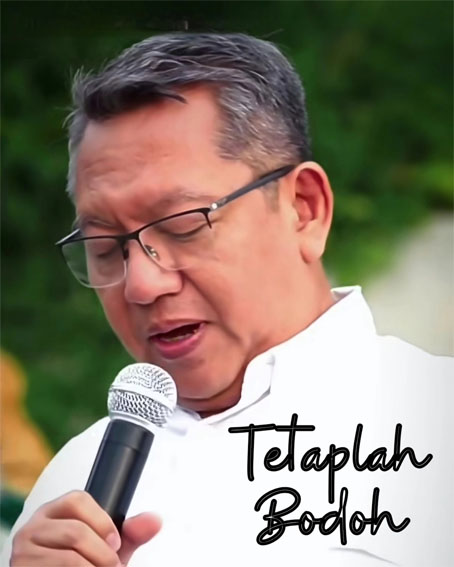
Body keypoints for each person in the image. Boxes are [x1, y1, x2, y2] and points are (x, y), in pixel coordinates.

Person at [3, 33, 452, 567]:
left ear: (304, 209)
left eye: (184, 225)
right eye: (105, 248)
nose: (141, 284)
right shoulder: (72, 489)